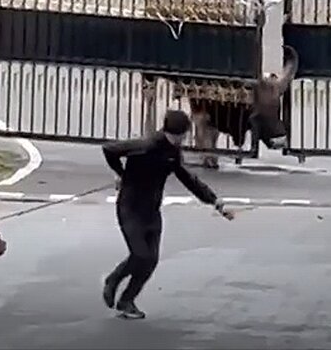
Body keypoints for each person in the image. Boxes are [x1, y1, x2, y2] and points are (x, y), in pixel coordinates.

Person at [100, 109, 235, 319]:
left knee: (150, 261)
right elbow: (109, 149)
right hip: (130, 208)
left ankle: (127, 301)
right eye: (178, 137)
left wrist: (214, 201)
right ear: (168, 132)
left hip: (152, 210)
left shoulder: (173, 153)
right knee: (140, 255)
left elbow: (188, 179)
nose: (181, 140)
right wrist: (122, 174)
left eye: (182, 136)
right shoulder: (145, 146)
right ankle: (113, 279)